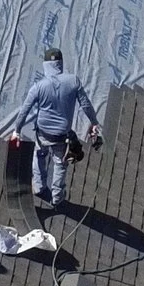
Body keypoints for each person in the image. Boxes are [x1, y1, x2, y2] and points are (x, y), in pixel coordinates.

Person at [20, 48, 100, 209]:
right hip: (61, 136)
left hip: (43, 133)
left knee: (39, 155)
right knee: (60, 164)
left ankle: (39, 186)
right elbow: (85, 104)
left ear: (46, 65)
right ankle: (56, 197)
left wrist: (16, 130)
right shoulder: (73, 81)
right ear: (60, 64)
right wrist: (94, 122)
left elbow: (25, 110)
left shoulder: (39, 86)